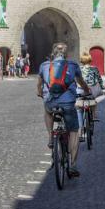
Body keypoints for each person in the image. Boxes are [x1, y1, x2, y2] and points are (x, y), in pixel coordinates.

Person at [37, 42, 90, 178]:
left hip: (50, 101)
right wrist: (86, 90)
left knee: (47, 110)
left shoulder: (44, 66)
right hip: (67, 102)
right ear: (66, 54)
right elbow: (81, 82)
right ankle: (72, 164)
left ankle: (50, 136)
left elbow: (39, 84)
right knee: (73, 131)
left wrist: (40, 93)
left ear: (52, 53)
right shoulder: (72, 65)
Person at [76, 52, 104, 140]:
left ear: (81, 61)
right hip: (91, 90)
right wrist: (102, 86)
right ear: (90, 60)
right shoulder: (94, 68)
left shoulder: (78, 68)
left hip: (80, 90)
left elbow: (75, 80)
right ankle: (94, 115)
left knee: (79, 108)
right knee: (94, 101)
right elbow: (99, 79)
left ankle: (80, 131)